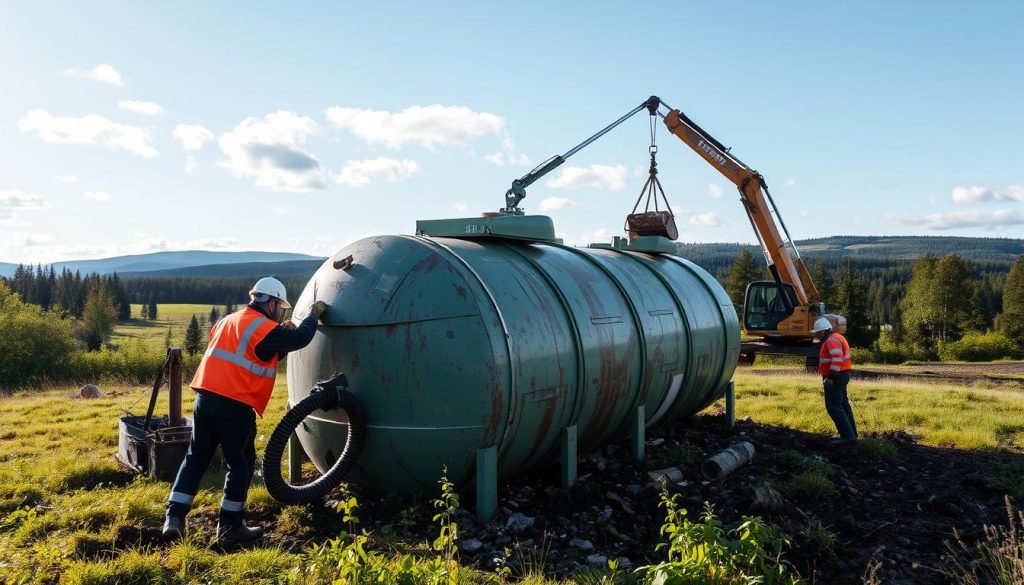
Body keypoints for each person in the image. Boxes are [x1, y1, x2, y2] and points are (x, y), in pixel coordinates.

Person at [161, 277, 327, 545]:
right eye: (280, 308)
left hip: (204, 398)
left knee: (196, 457)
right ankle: (229, 527)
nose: (281, 313)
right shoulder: (263, 327)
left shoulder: (228, 320)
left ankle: (174, 517)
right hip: (234, 403)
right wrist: (312, 315)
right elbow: (299, 338)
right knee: (240, 463)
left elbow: (253, 353)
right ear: (271, 303)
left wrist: (278, 338)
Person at [812, 317, 857, 445]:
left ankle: (847, 436)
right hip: (842, 375)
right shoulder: (838, 337)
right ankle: (851, 434)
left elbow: (837, 359)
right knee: (843, 405)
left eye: (817, 332)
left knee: (834, 406)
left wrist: (830, 378)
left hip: (836, 376)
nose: (816, 335)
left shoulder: (831, 340)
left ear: (823, 331)